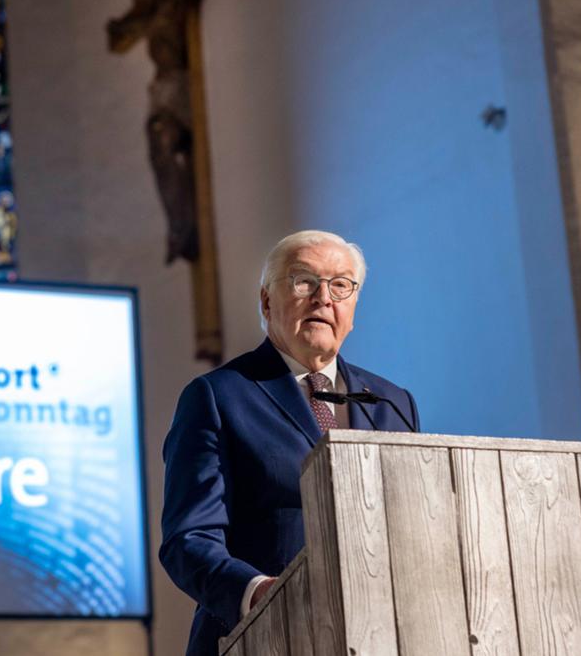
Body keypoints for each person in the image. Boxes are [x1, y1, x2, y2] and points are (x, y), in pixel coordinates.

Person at [159, 230, 420, 656]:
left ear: (353, 307)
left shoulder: (393, 403)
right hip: (260, 639)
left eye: (341, 285)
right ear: (266, 302)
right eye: (304, 282)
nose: (324, 298)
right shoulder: (219, 396)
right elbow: (188, 540)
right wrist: (258, 593)